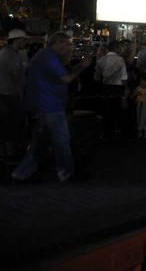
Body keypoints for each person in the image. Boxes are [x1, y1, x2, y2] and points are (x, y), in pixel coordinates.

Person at [11, 32, 92, 182]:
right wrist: (83, 66)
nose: (69, 48)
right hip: (51, 105)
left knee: (41, 143)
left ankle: (21, 173)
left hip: (44, 104)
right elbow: (66, 78)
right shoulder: (49, 57)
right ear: (58, 42)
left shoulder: (45, 55)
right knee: (61, 141)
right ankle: (66, 173)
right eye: (68, 44)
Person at [0, 29, 28, 162]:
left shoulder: (5, 52)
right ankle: (12, 154)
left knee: (8, 124)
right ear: (17, 41)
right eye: (23, 40)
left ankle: (8, 152)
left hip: (5, 94)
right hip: (9, 95)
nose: (25, 42)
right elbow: (15, 78)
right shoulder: (11, 55)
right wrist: (21, 95)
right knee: (13, 124)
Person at [94, 41, 127, 141]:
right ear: (116, 48)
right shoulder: (120, 60)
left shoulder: (101, 60)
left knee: (106, 112)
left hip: (105, 88)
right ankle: (117, 131)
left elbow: (96, 77)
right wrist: (126, 88)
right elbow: (124, 77)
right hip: (117, 89)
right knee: (117, 111)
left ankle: (106, 133)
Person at [134, 73, 146, 138]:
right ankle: (140, 131)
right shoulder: (138, 88)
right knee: (141, 118)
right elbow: (133, 96)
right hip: (141, 105)